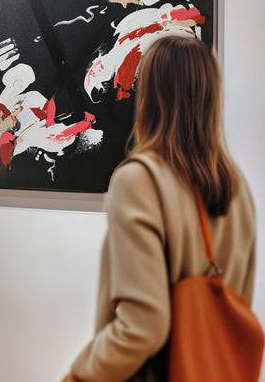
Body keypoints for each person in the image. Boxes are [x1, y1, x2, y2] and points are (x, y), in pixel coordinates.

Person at [61, 36, 256, 381]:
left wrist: (79, 376)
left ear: (150, 96)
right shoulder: (236, 186)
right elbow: (236, 307)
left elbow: (144, 326)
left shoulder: (139, 180)